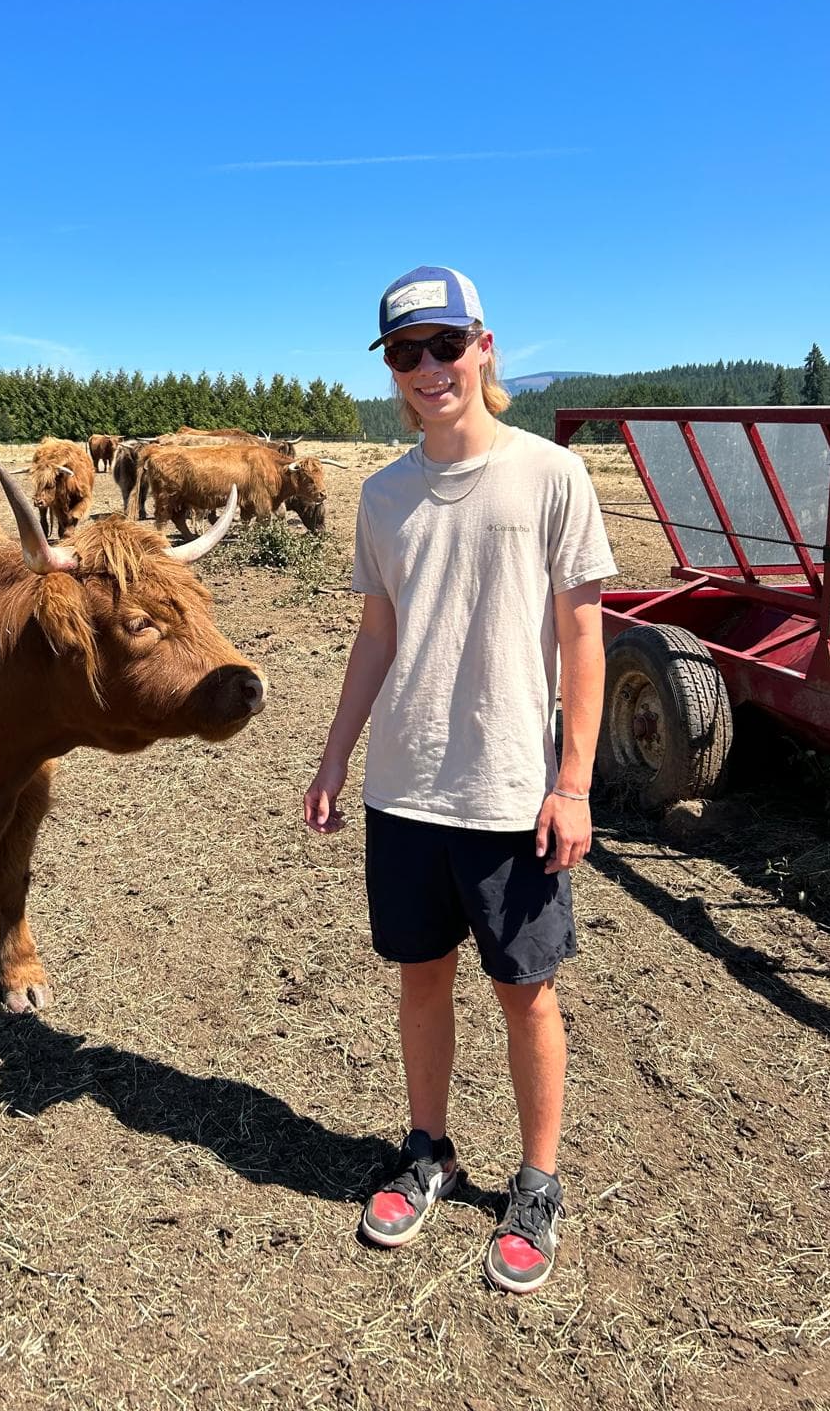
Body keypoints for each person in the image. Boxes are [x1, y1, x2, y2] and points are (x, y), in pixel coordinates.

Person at [303, 266, 615, 1294]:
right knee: (420, 979)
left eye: (446, 345)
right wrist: (338, 750)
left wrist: (572, 782)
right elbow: (377, 633)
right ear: (391, 369)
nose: (429, 368)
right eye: (407, 352)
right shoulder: (383, 494)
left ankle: (537, 1182)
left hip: (512, 793)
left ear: (485, 346)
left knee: (525, 993)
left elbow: (582, 633)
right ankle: (428, 1149)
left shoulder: (548, 476)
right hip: (405, 789)